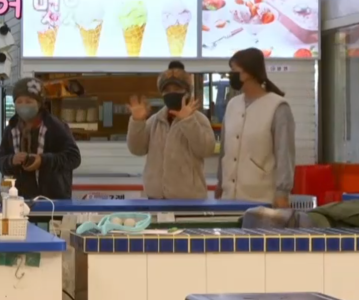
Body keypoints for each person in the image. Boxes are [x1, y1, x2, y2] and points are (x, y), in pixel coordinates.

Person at [217, 48, 296, 207]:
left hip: (262, 200)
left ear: (249, 72)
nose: (231, 75)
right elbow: (224, 151)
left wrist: (282, 193)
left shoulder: (278, 107)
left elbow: (284, 154)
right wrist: (220, 183)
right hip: (229, 200)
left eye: (234, 71)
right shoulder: (232, 105)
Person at [127, 61, 216, 199]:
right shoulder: (155, 121)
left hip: (189, 201)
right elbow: (137, 149)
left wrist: (188, 121)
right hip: (155, 199)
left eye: (177, 88)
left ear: (187, 92)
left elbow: (206, 149)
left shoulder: (199, 119)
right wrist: (137, 122)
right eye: (167, 90)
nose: (171, 93)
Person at [0, 77, 81, 200]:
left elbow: (74, 158)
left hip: (53, 201)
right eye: (19, 102)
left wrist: (42, 160)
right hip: (20, 201)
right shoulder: (11, 129)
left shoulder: (55, 126)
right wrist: (12, 160)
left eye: (29, 101)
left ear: (39, 103)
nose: (23, 105)